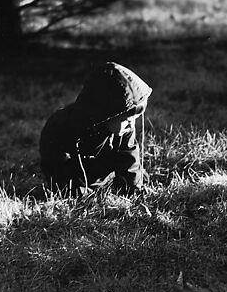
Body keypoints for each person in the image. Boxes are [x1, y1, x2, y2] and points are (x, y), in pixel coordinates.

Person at [39, 62, 152, 197]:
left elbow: (129, 158)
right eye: (127, 120)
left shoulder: (123, 130)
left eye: (134, 120)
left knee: (139, 177)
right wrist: (76, 191)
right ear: (106, 115)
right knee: (70, 190)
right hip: (75, 176)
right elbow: (55, 164)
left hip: (103, 173)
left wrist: (133, 188)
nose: (131, 126)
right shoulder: (63, 126)